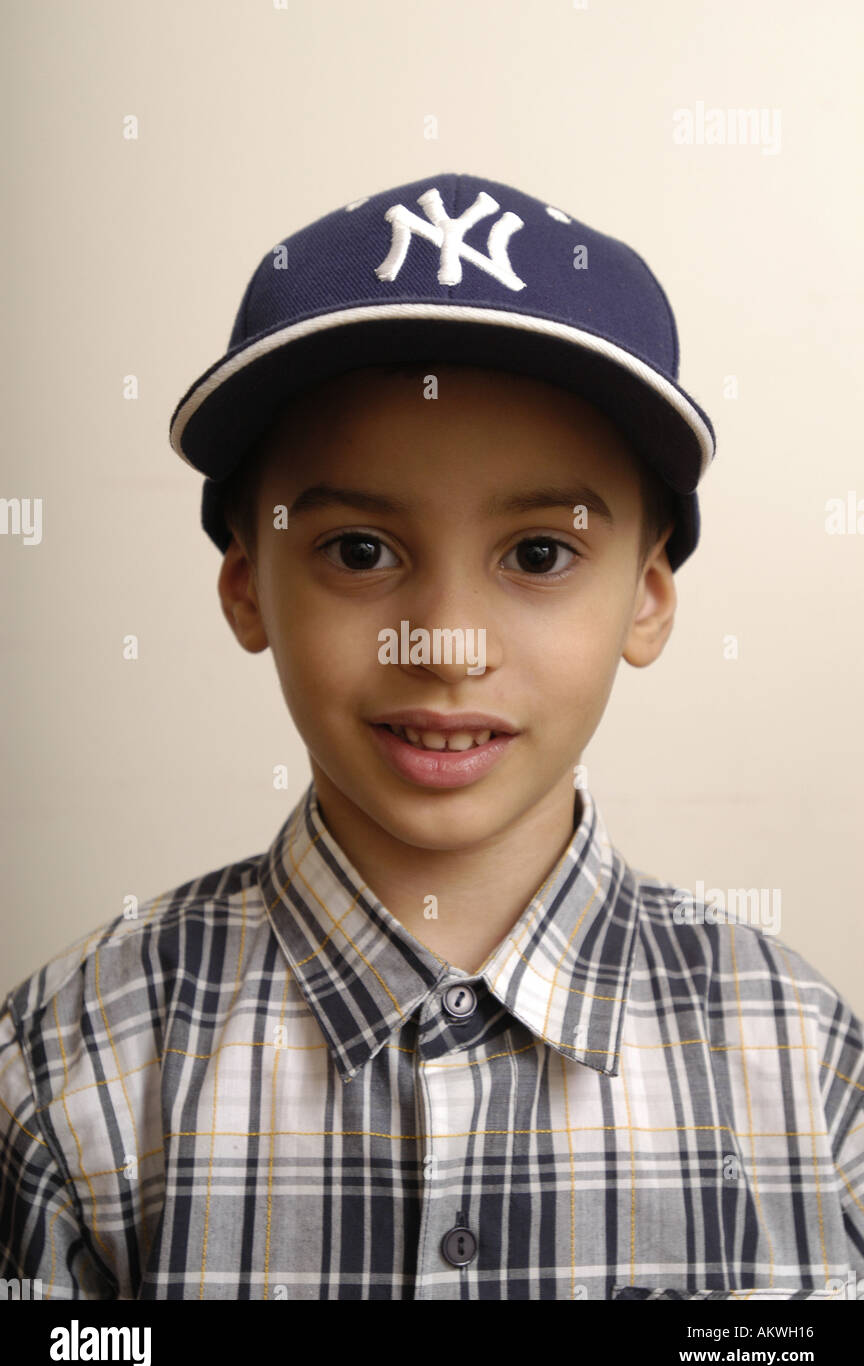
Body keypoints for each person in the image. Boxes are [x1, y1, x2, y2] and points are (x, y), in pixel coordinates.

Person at [1, 173, 861, 1301]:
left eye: (540, 553)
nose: (445, 646)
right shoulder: (68, 1071)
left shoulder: (805, 1068)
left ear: (648, 596)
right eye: (360, 551)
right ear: (246, 583)